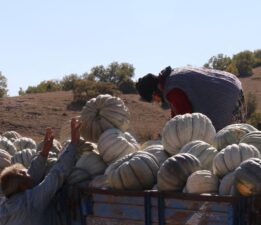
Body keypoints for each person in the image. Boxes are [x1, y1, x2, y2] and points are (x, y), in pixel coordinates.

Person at [0, 118, 81, 225]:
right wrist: (73, 143)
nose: (30, 174)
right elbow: (56, 174)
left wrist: (44, 153)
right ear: (23, 187)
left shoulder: (5, 204)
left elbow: (33, 173)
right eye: (26, 174)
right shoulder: (32, 200)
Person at [136, 66, 246, 131]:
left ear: (154, 94)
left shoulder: (172, 90)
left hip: (226, 97)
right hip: (232, 85)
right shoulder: (172, 77)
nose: (157, 102)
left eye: (154, 100)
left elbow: (186, 119)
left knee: (224, 142)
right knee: (236, 140)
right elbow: (178, 113)